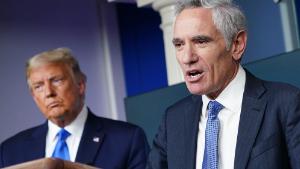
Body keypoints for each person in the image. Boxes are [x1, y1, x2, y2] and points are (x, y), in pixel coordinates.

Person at [146, 0, 300, 169]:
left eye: (200, 41)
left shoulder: (287, 103)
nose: (186, 58)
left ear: (237, 44)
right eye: (179, 45)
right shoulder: (173, 120)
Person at [0, 48, 149, 168]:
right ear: (34, 96)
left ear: (80, 85)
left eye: (57, 81)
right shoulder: (10, 151)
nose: (49, 93)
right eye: (38, 86)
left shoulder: (127, 139)